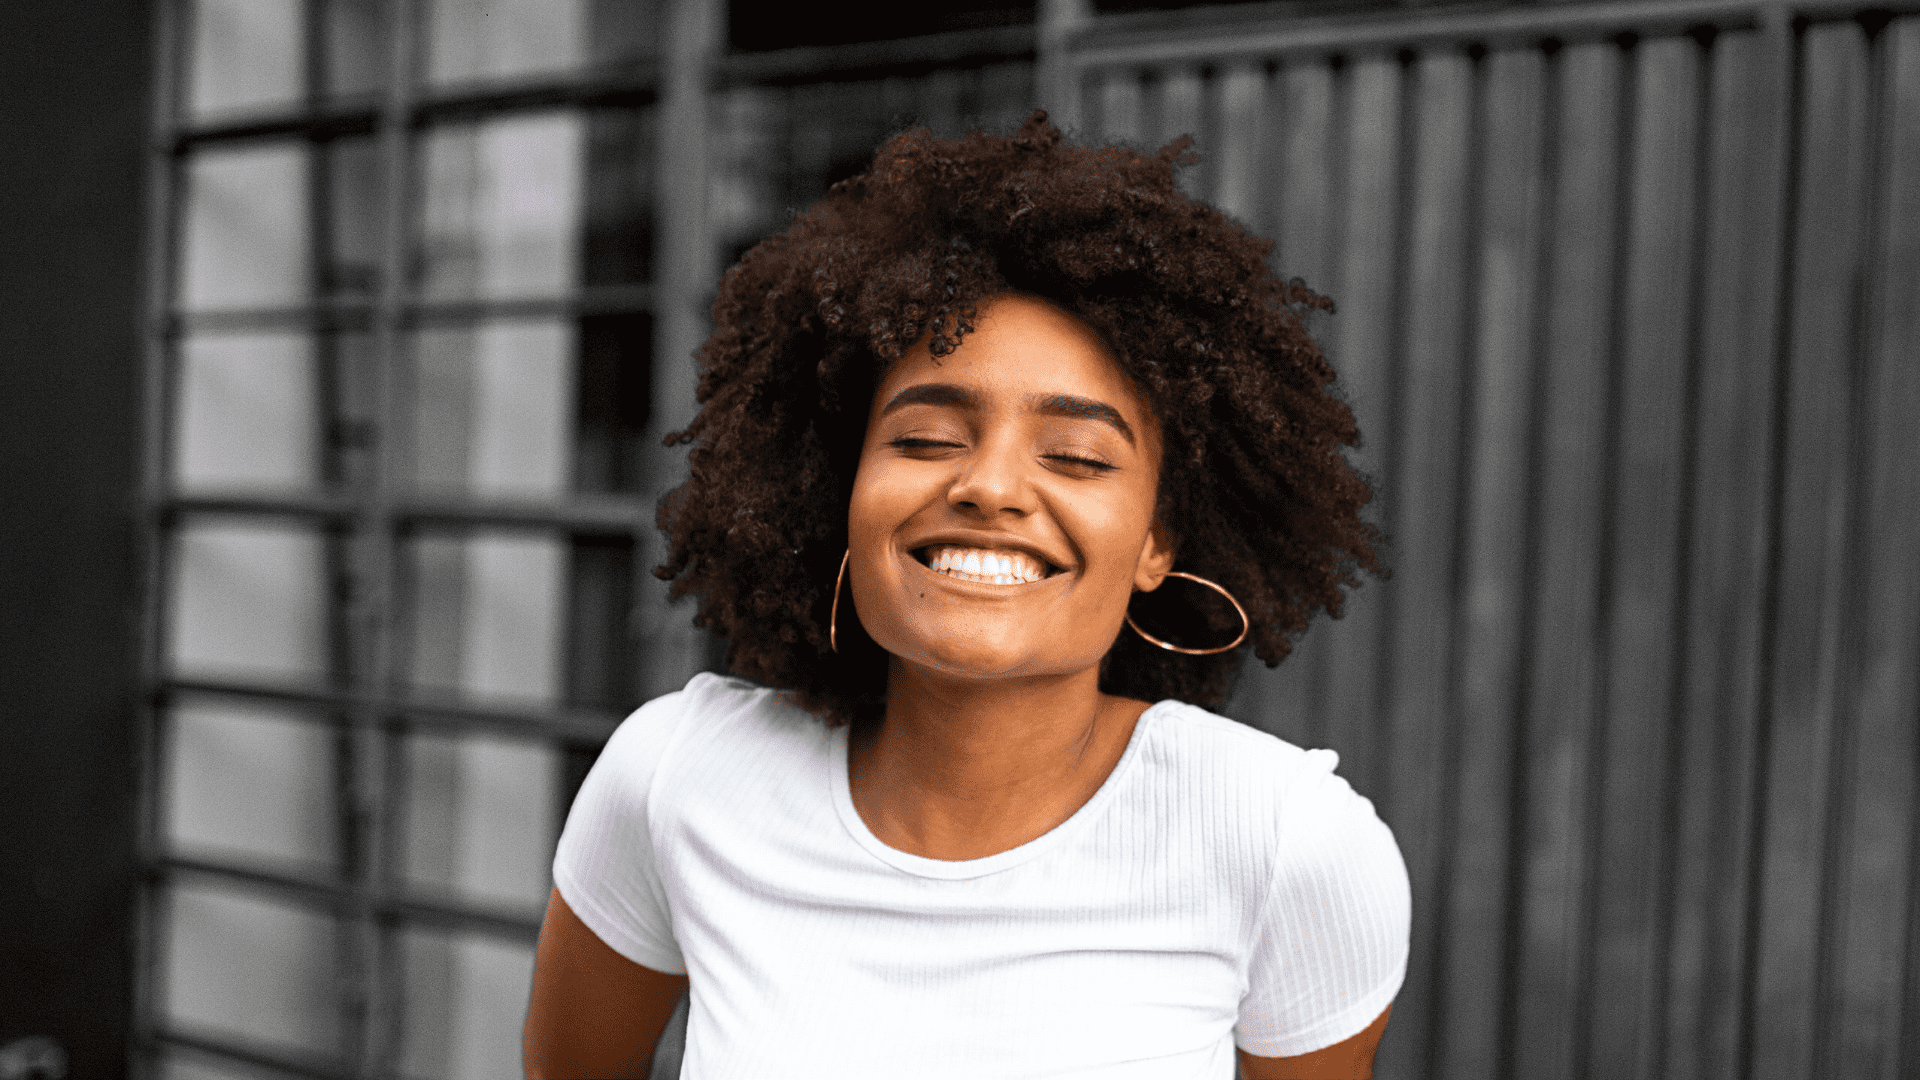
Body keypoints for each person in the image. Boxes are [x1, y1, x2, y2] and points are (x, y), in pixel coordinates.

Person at [523, 111, 1410, 1080]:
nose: (988, 487)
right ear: (840, 494)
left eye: (1075, 456)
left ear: (1158, 540)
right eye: (926, 439)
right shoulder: (677, 780)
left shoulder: (1286, 845)